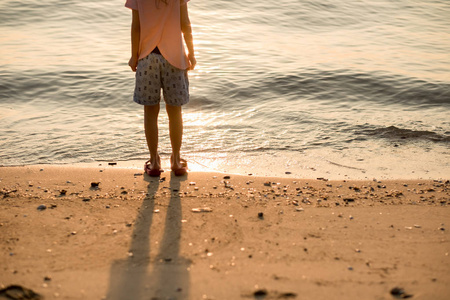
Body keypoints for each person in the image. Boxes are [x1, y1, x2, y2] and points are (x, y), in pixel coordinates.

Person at [125, 0, 196, 176]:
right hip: (174, 57)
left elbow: (136, 27)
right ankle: (177, 161)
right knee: (175, 112)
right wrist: (191, 54)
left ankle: (155, 162)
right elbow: (185, 24)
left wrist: (134, 56)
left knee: (150, 112)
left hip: (148, 57)